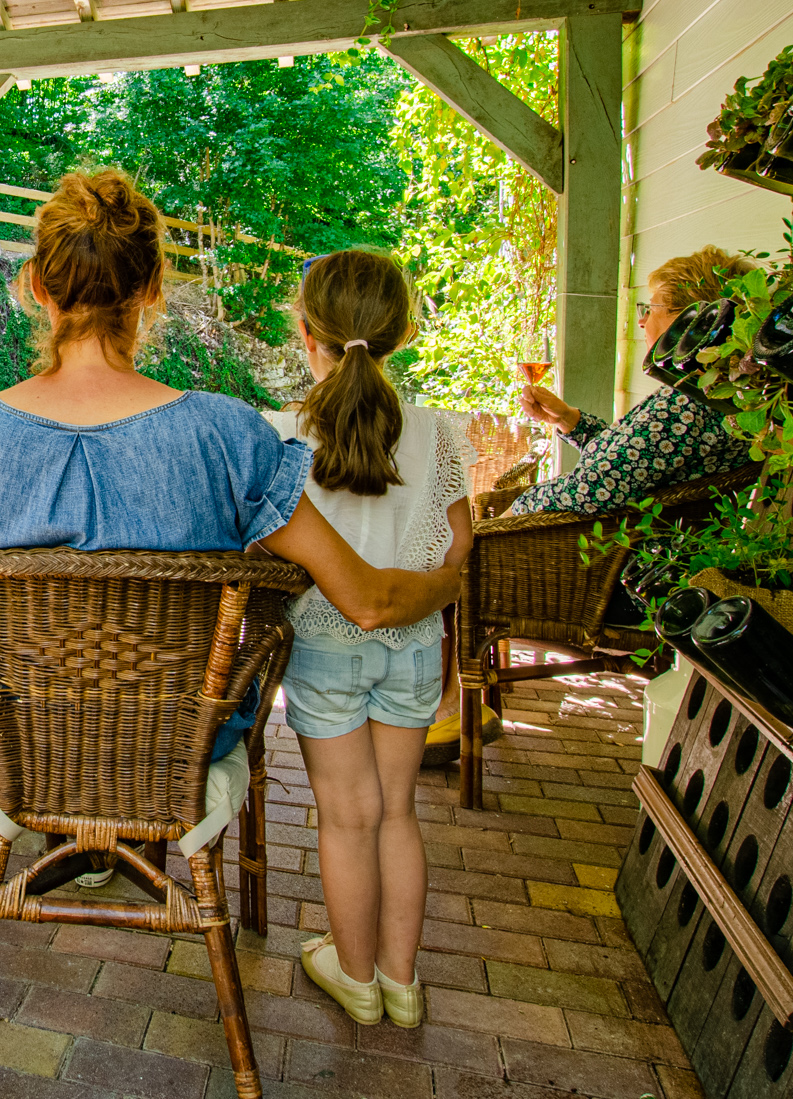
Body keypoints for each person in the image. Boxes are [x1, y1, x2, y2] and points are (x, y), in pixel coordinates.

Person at [0, 168, 463, 873]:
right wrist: (450, 581)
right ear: (151, 289)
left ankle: (78, 849)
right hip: (183, 748)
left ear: (38, 287)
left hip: (27, 744)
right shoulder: (226, 434)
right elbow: (367, 599)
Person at [263, 250, 472, 1029]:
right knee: (397, 812)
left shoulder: (280, 434)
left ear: (305, 331)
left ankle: (354, 977)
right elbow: (458, 547)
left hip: (323, 646)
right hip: (413, 644)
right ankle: (401, 982)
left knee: (348, 815)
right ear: (403, 332)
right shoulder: (437, 434)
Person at [507, 246, 757, 515]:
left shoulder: (693, 400)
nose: (642, 321)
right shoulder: (709, 388)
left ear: (689, 319)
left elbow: (596, 486)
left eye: (651, 309)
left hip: (622, 539)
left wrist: (512, 512)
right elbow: (631, 459)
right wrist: (567, 419)